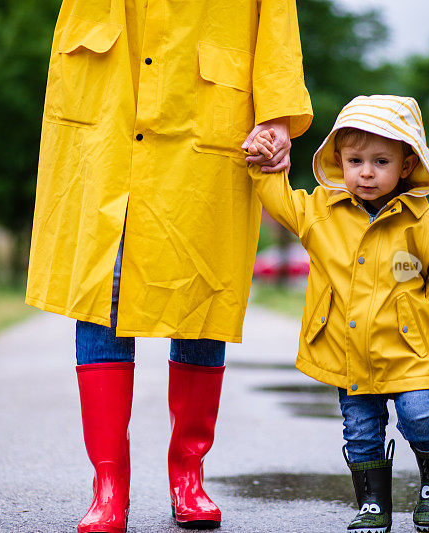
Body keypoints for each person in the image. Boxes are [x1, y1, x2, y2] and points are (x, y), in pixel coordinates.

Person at [25, 1, 313, 532]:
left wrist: (275, 117)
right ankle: (108, 485)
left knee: (202, 290)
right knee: (100, 285)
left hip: (204, 110)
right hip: (107, 98)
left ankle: (189, 474)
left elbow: (276, 16)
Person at [246, 94, 429, 533]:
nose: (366, 172)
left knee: (420, 417)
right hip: (349, 352)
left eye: (380, 161)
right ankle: (372, 502)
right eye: (355, 160)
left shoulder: (419, 222)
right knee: (361, 431)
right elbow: (280, 203)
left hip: (410, 351)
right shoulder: (321, 212)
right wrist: (266, 165)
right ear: (338, 160)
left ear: (406, 166)